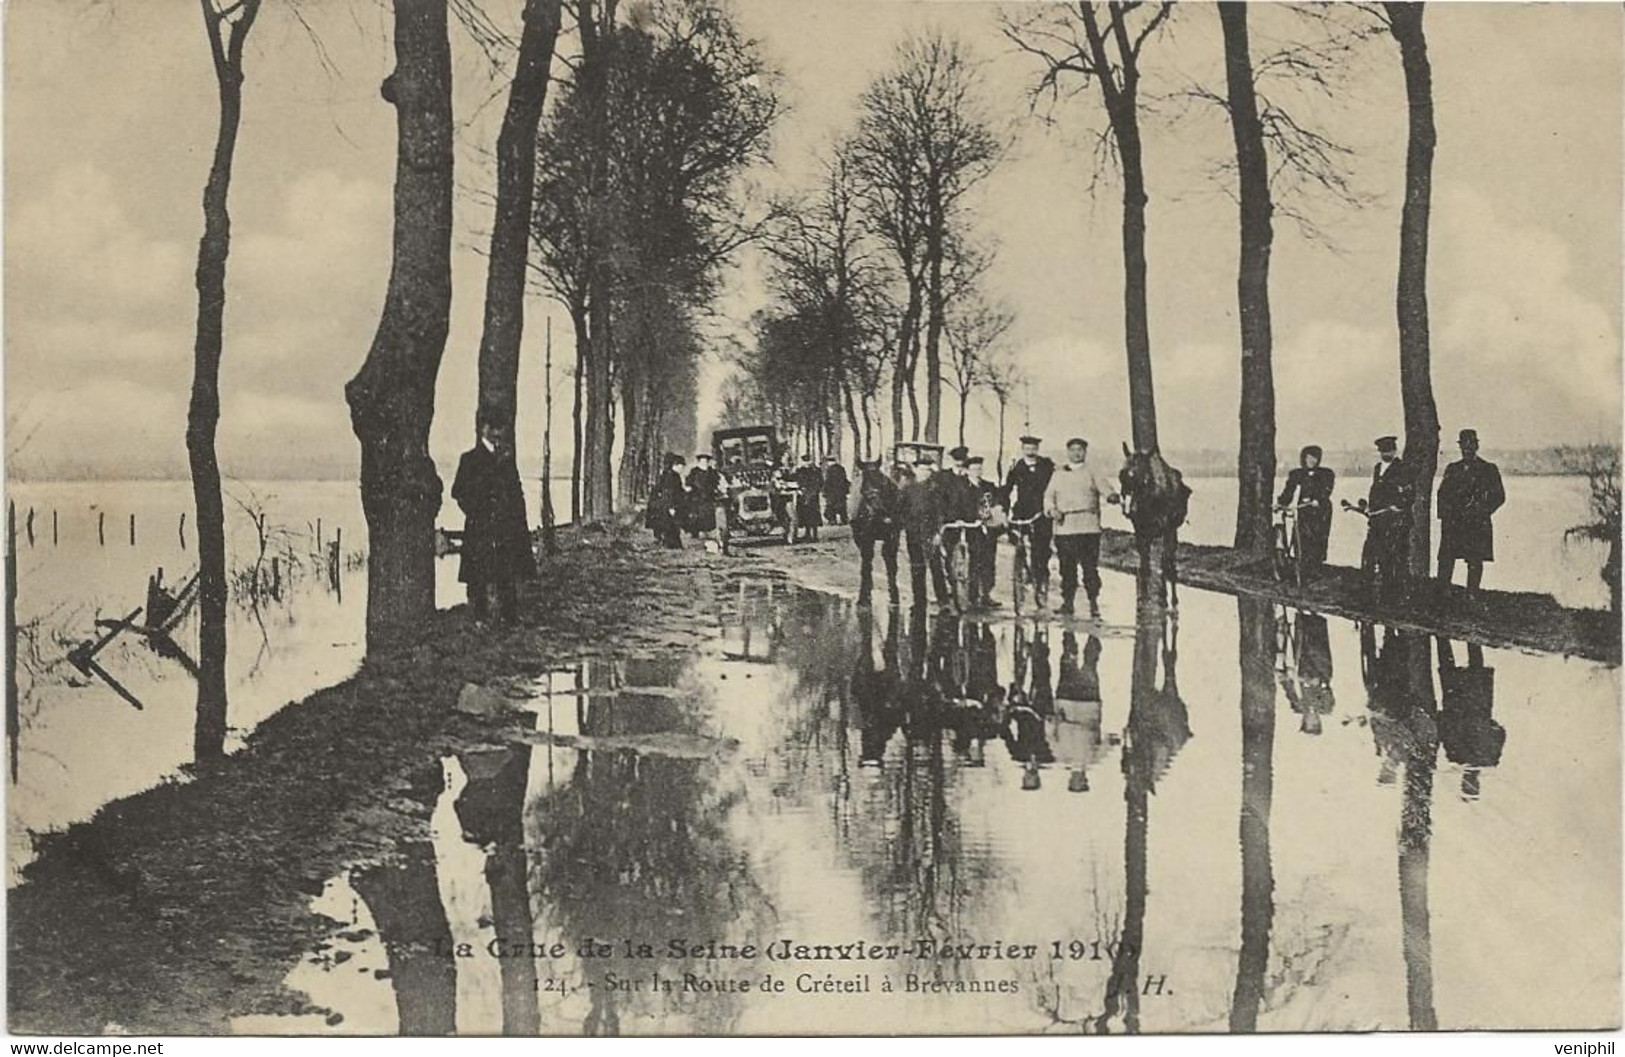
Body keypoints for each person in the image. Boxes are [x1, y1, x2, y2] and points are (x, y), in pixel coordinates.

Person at [452, 421, 536, 625]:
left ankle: (509, 615)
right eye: (494, 428)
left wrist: (517, 520)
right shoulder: (469, 459)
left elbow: (516, 494)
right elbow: (457, 492)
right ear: (484, 429)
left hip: (505, 527)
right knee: (478, 573)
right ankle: (478, 617)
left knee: (506, 570)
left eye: (501, 429)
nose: (499, 433)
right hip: (480, 527)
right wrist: (475, 512)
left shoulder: (506, 460)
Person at [1045, 437, 1118, 617]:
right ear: (1067, 452)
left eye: (1080, 450)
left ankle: (1093, 601)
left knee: (1089, 567)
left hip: (1088, 528)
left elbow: (1105, 488)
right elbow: (1048, 496)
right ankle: (1068, 603)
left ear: (1085, 452)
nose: (1076, 453)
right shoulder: (1058, 474)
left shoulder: (1093, 472)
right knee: (1067, 568)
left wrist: (1111, 496)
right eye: (1073, 450)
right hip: (1065, 528)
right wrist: (1052, 510)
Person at [1436, 428, 1506, 594]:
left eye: (1470, 445)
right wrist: (1446, 517)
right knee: (1446, 558)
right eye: (1464, 446)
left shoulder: (1488, 469)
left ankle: (1472, 594)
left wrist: (1481, 510)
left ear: (1476, 447)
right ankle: (1441, 594)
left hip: (1476, 522)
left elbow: (1499, 496)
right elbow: (1442, 494)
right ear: (1460, 448)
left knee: (1475, 559)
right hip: (1454, 522)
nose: (1467, 449)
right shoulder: (1452, 469)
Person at [1004, 435, 1056, 608]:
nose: (1030, 451)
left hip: (1041, 512)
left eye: (1033, 448)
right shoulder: (1016, 468)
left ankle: (1040, 579)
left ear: (1037, 449)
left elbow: (1055, 486)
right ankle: (1022, 571)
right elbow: (1007, 489)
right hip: (1022, 511)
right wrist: (1003, 510)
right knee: (1018, 542)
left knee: (1041, 549)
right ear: (1022, 449)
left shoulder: (1046, 466)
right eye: (1027, 448)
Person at [1362, 435, 1414, 602]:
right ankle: (1380, 593)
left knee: (1395, 557)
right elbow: (1375, 492)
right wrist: (1370, 508)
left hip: (1396, 522)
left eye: (1389, 450)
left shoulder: (1403, 468)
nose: (1386, 453)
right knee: (1377, 555)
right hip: (1378, 521)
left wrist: (1398, 506)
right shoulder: (1378, 468)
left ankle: (1395, 595)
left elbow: (1409, 493)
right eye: (1383, 451)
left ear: (1394, 451)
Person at [849, 458, 902, 607]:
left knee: (889, 557)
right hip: (866, 522)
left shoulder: (890, 485)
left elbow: (898, 505)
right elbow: (854, 508)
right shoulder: (860, 484)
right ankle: (865, 592)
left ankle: (893, 590)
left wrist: (894, 519)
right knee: (867, 558)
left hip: (887, 521)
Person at [1276, 444, 1336, 575]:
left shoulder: (1326, 474)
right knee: (1301, 537)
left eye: (1315, 458)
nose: (1312, 461)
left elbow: (1327, 489)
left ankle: (1316, 566)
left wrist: (1318, 500)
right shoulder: (1297, 474)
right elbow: (1289, 490)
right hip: (1304, 510)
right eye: (1309, 458)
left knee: (1318, 538)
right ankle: (1302, 565)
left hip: (1321, 511)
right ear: (1304, 458)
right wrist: (1281, 503)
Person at [900, 455, 951, 608]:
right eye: (922, 469)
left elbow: (941, 512)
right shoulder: (907, 488)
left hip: (930, 532)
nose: (925, 473)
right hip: (913, 533)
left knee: (936, 567)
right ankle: (919, 601)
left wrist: (938, 533)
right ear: (915, 470)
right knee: (917, 568)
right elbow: (901, 511)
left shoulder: (936, 489)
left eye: (928, 470)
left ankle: (943, 602)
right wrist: (903, 531)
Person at [648, 453, 687, 549]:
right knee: (671, 525)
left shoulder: (670, 475)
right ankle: (672, 545)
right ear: (676, 465)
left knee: (671, 525)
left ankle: (671, 544)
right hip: (668, 505)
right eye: (681, 466)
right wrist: (671, 507)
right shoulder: (672, 477)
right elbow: (669, 493)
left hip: (667, 504)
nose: (682, 469)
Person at [685, 452, 722, 541]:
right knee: (696, 515)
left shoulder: (711, 472)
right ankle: (695, 533)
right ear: (699, 462)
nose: (704, 462)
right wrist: (690, 489)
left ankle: (708, 532)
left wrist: (715, 489)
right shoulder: (694, 471)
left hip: (708, 496)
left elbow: (716, 482)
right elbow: (689, 482)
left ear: (708, 462)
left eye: (705, 461)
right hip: (697, 497)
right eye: (702, 461)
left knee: (708, 514)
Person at [793, 454, 824, 542]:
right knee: (806, 515)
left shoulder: (814, 470)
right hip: (805, 495)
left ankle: (813, 535)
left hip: (810, 495)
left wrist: (814, 490)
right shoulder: (802, 470)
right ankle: (809, 534)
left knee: (812, 515)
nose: (807, 463)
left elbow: (820, 482)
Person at [822, 456, 850, 526]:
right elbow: (844, 480)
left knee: (831, 507)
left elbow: (828, 481)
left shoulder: (829, 470)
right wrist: (846, 490)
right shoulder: (841, 468)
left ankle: (832, 520)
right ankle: (844, 520)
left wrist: (825, 491)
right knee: (842, 506)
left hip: (832, 492)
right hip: (841, 491)